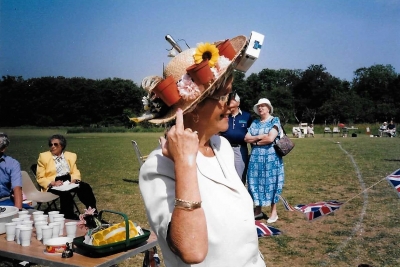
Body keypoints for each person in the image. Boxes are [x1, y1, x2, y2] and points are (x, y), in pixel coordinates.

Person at [137, 35, 265, 266]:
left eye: (231, 94)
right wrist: (185, 164)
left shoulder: (221, 146)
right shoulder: (158, 166)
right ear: (193, 109)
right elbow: (191, 251)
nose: (232, 104)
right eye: (224, 96)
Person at [36, 134, 97, 219]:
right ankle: (69, 217)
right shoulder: (44, 157)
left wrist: (75, 179)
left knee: (85, 187)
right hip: (53, 182)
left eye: (55, 144)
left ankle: (92, 213)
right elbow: (40, 178)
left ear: (62, 146)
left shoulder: (70, 156)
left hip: (68, 180)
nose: (52, 146)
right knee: (65, 193)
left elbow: (74, 171)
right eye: (51, 144)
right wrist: (53, 183)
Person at [245, 98, 284, 223]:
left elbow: (270, 138)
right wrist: (260, 137)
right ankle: (258, 210)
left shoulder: (274, 120)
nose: (261, 108)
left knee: (271, 183)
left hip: (271, 158)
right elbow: (246, 138)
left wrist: (255, 141)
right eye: (259, 106)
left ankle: (274, 212)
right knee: (255, 182)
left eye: (263, 106)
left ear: (268, 108)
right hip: (256, 158)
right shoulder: (255, 123)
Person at [220, 93, 253, 184]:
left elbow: (251, 133)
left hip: (240, 149)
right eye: (229, 99)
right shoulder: (223, 115)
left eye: (233, 99)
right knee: (225, 173)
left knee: (240, 174)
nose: (230, 100)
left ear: (238, 103)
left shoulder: (247, 116)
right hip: (224, 148)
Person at [0, 133, 23, 210]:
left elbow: (17, 188)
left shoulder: (12, 163)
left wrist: (18, 210)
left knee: (30, 214)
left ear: (3, 149)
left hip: (5, 200)